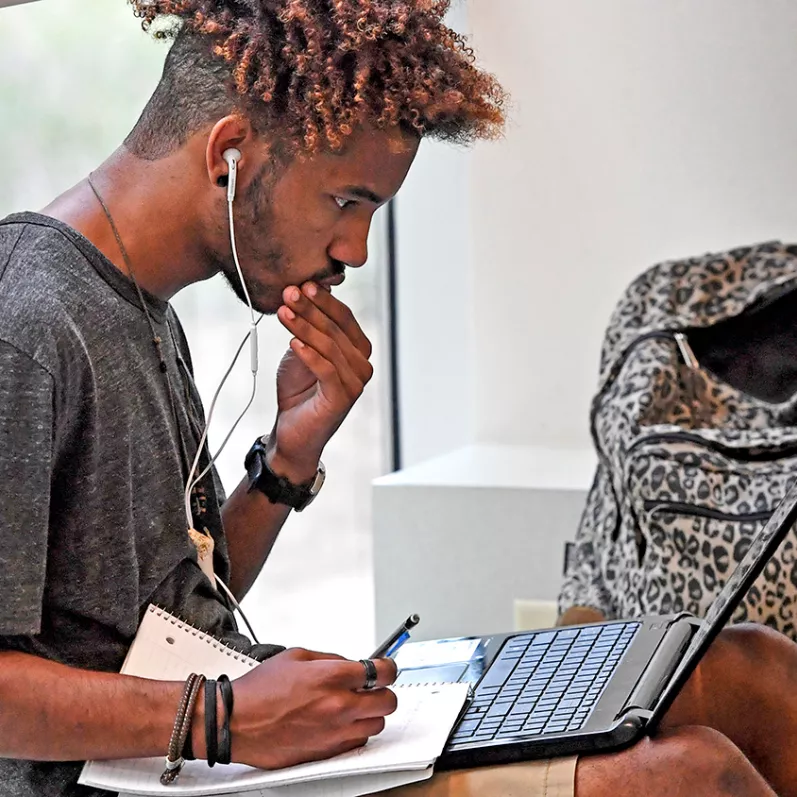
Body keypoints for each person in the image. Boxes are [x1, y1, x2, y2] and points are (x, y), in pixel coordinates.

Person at [0, 3, 794, 797]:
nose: (354, 249)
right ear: (229, 154)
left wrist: (287, 460)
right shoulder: (30, 322)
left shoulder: (142, 312)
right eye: (347, 202)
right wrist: (223, 716)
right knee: (692, 777)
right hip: (144, 771)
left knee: (755, 671)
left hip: (217, 744)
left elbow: (178, 606)